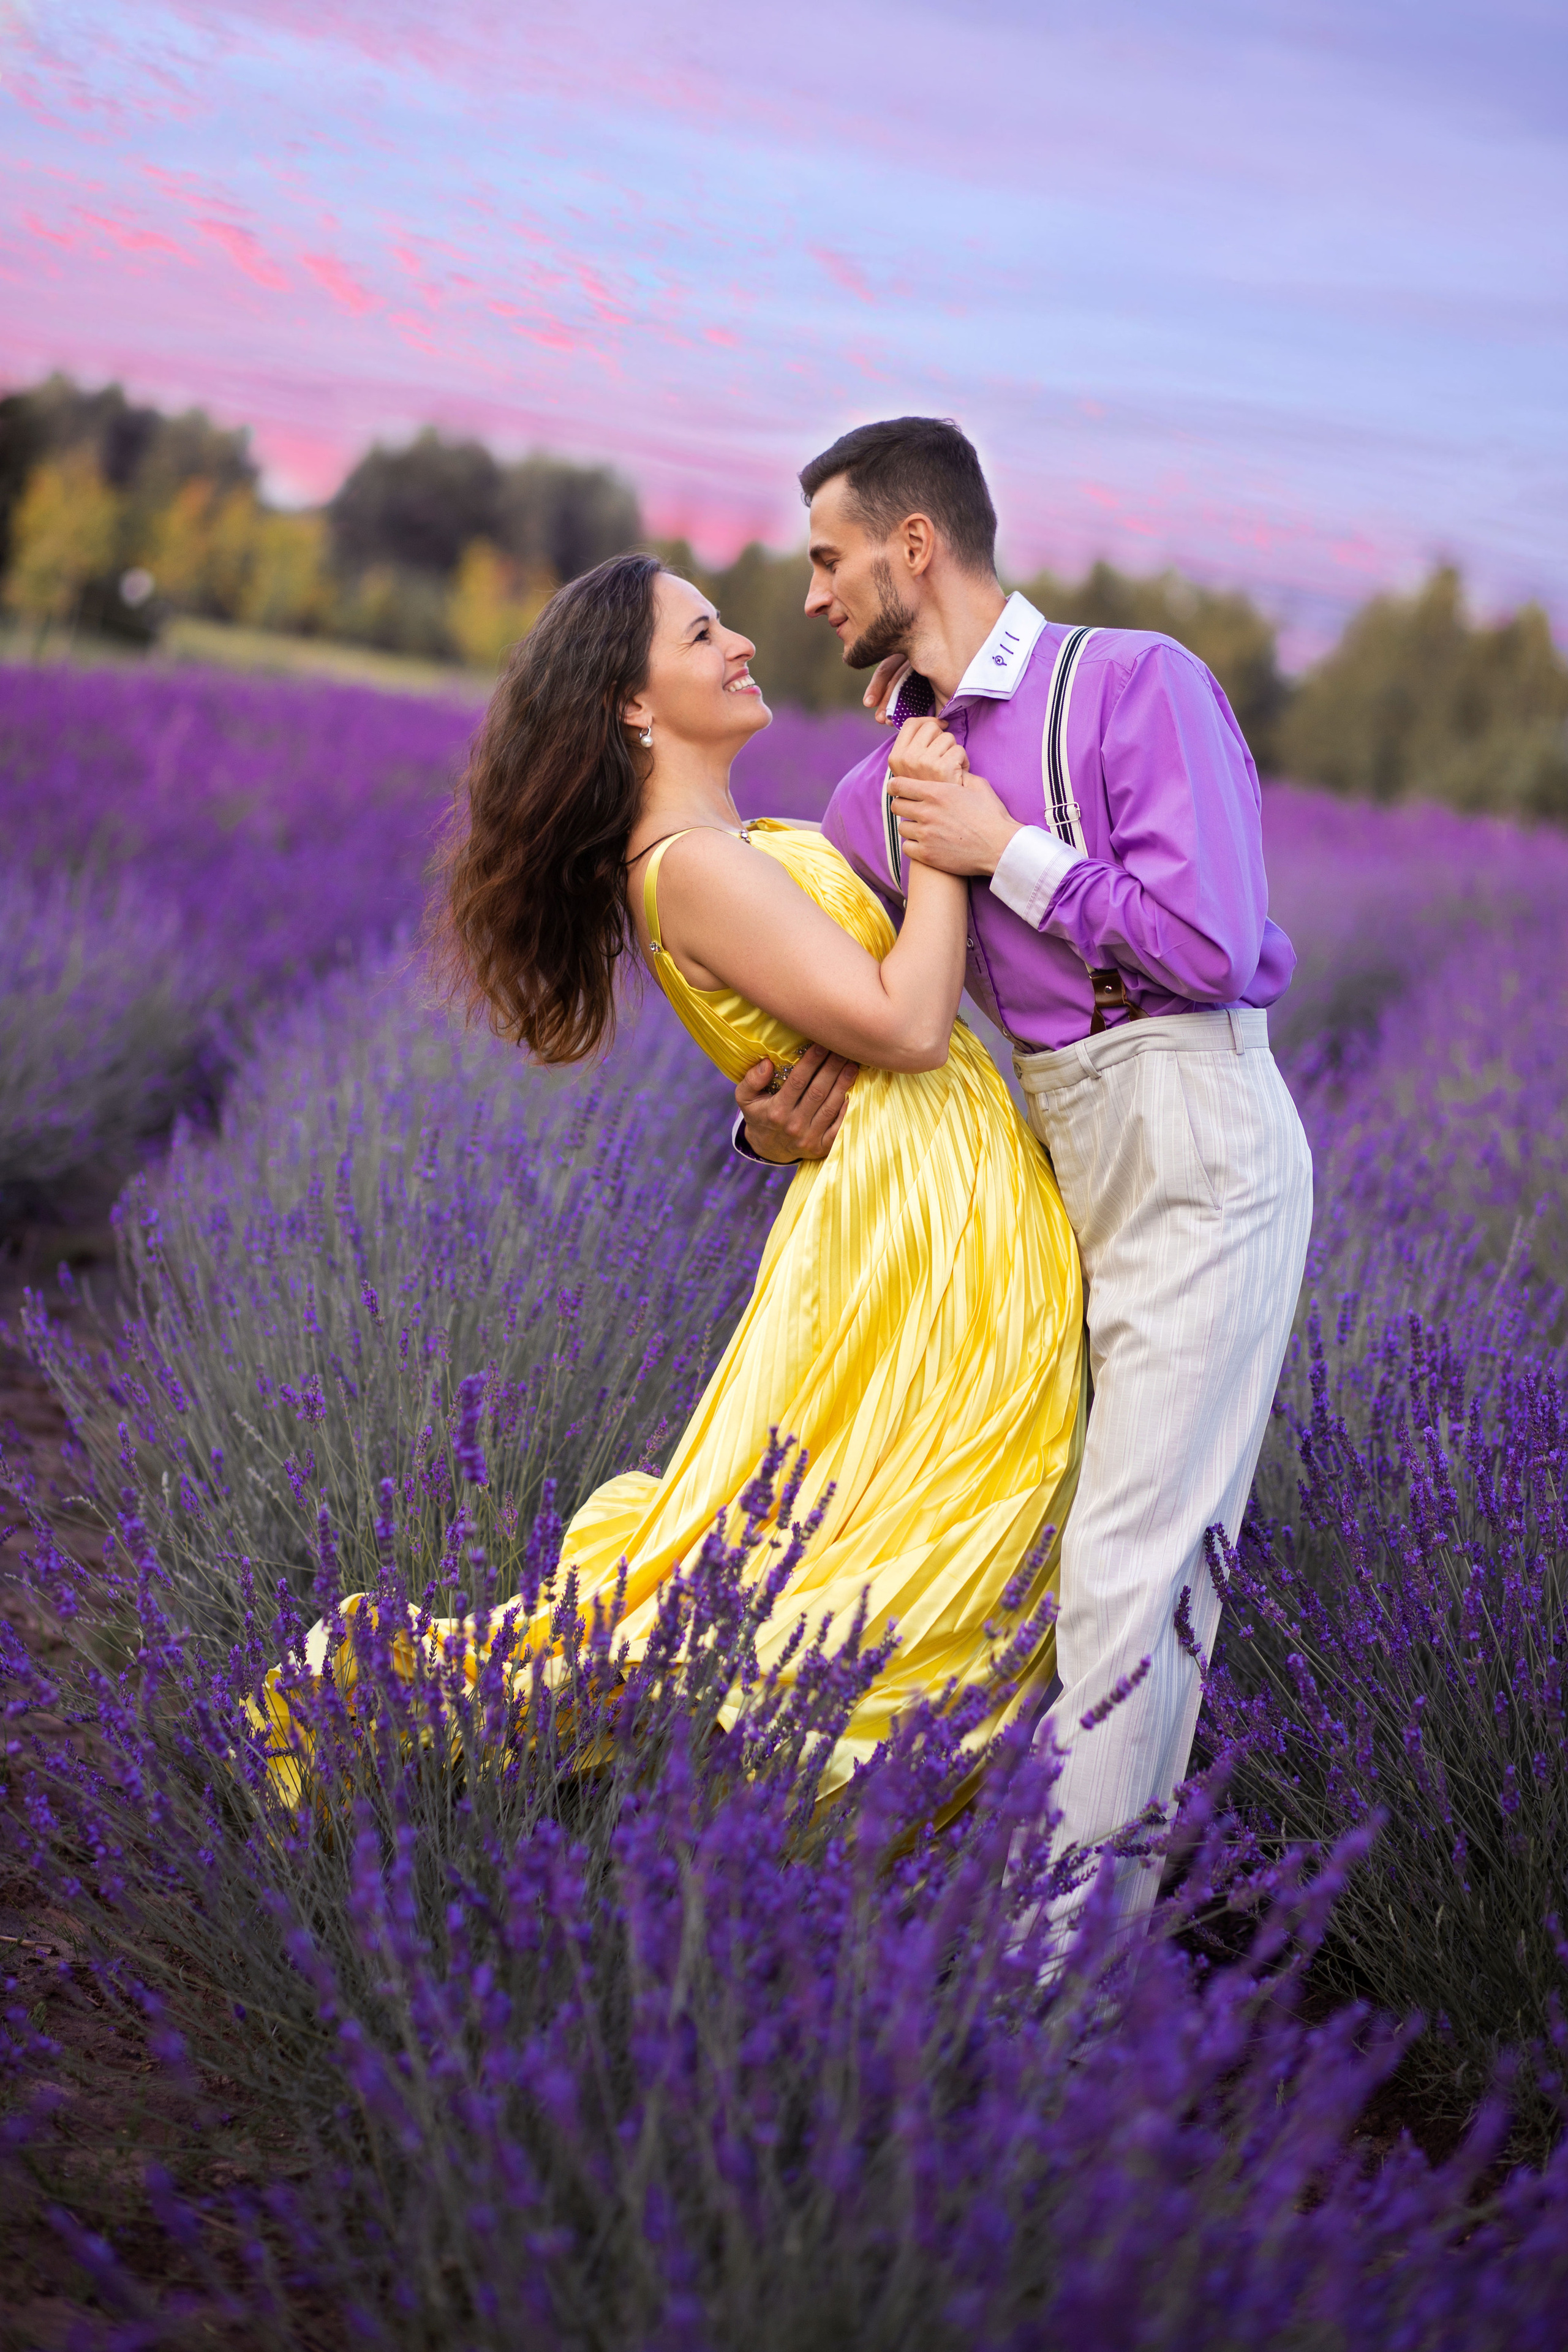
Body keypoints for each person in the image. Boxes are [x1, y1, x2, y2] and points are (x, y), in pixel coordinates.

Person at [262, 550, 1086, 1809]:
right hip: (916, 1229)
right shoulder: (684, 864)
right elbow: (908, 1026)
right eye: (702, 635)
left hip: (929, 1208)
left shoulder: (722, 843)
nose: (742, 642)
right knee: (905, 1543)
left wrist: (917, 752)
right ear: (633, 705)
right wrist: (935, 841)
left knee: (912, 1527)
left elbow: (832, 1033)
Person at [736, 418, 1313, 1942]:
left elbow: (1209, 943)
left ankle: (1055, 1997)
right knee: (1025, 1542)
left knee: (1131, 1572)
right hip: (1042, 1168)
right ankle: (976, 1920)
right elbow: (862, 1007)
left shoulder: (1134, 682)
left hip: (1192, 1134)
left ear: (909, 547)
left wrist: (1007, 846)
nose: (806, 596)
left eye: (824, 556)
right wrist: (777, 1119)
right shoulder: (883, 788)